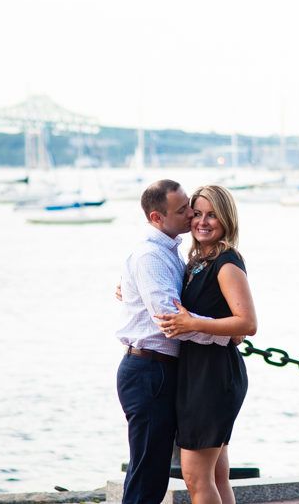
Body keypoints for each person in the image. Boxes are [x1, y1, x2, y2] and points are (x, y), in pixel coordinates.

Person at [115, 179, 233, 504]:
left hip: (159, 369)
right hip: (150, 370)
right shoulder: (152, 257)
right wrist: (227, 333)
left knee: (151, 472)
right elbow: (172, 323)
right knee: (148, 476)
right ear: (157, 217)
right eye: (182, 210)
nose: (191, 215)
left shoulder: (169, 253)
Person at [154, 184, 257, 504]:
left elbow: (248, 324)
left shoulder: (226, 263)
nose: (202, 221)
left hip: (214, 376)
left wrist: (194, 323)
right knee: (214, 475)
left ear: (226, 219)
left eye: (212, 215)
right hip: (198, 372)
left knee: (195, 476)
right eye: (197, 213)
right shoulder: (198, 260)